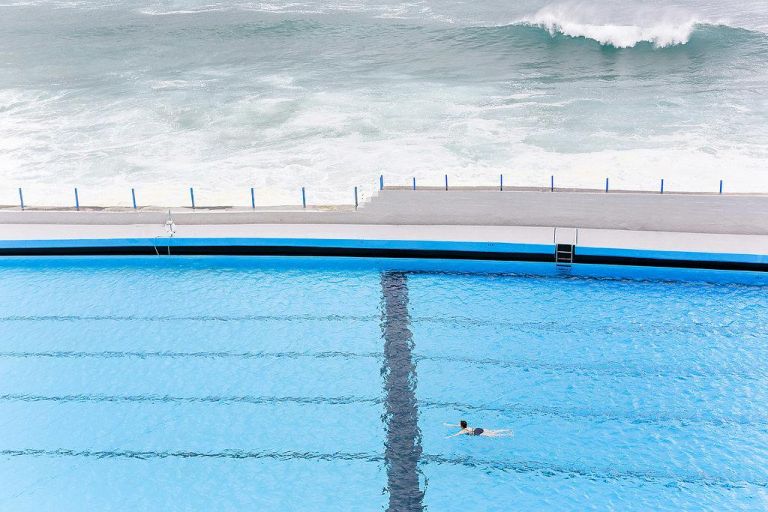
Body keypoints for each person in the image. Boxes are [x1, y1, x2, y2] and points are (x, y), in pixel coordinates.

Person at [446, 420, 513, 438]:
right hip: (478, 429)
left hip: (477, 433)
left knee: (493, 435)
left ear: (461, 426)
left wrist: (448, 437)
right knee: (493, 431)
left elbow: (455, 435)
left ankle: (507, 435)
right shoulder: (467, 427)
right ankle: (507, 430)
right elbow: (456, 425)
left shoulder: (463, 431)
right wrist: (449, 425)